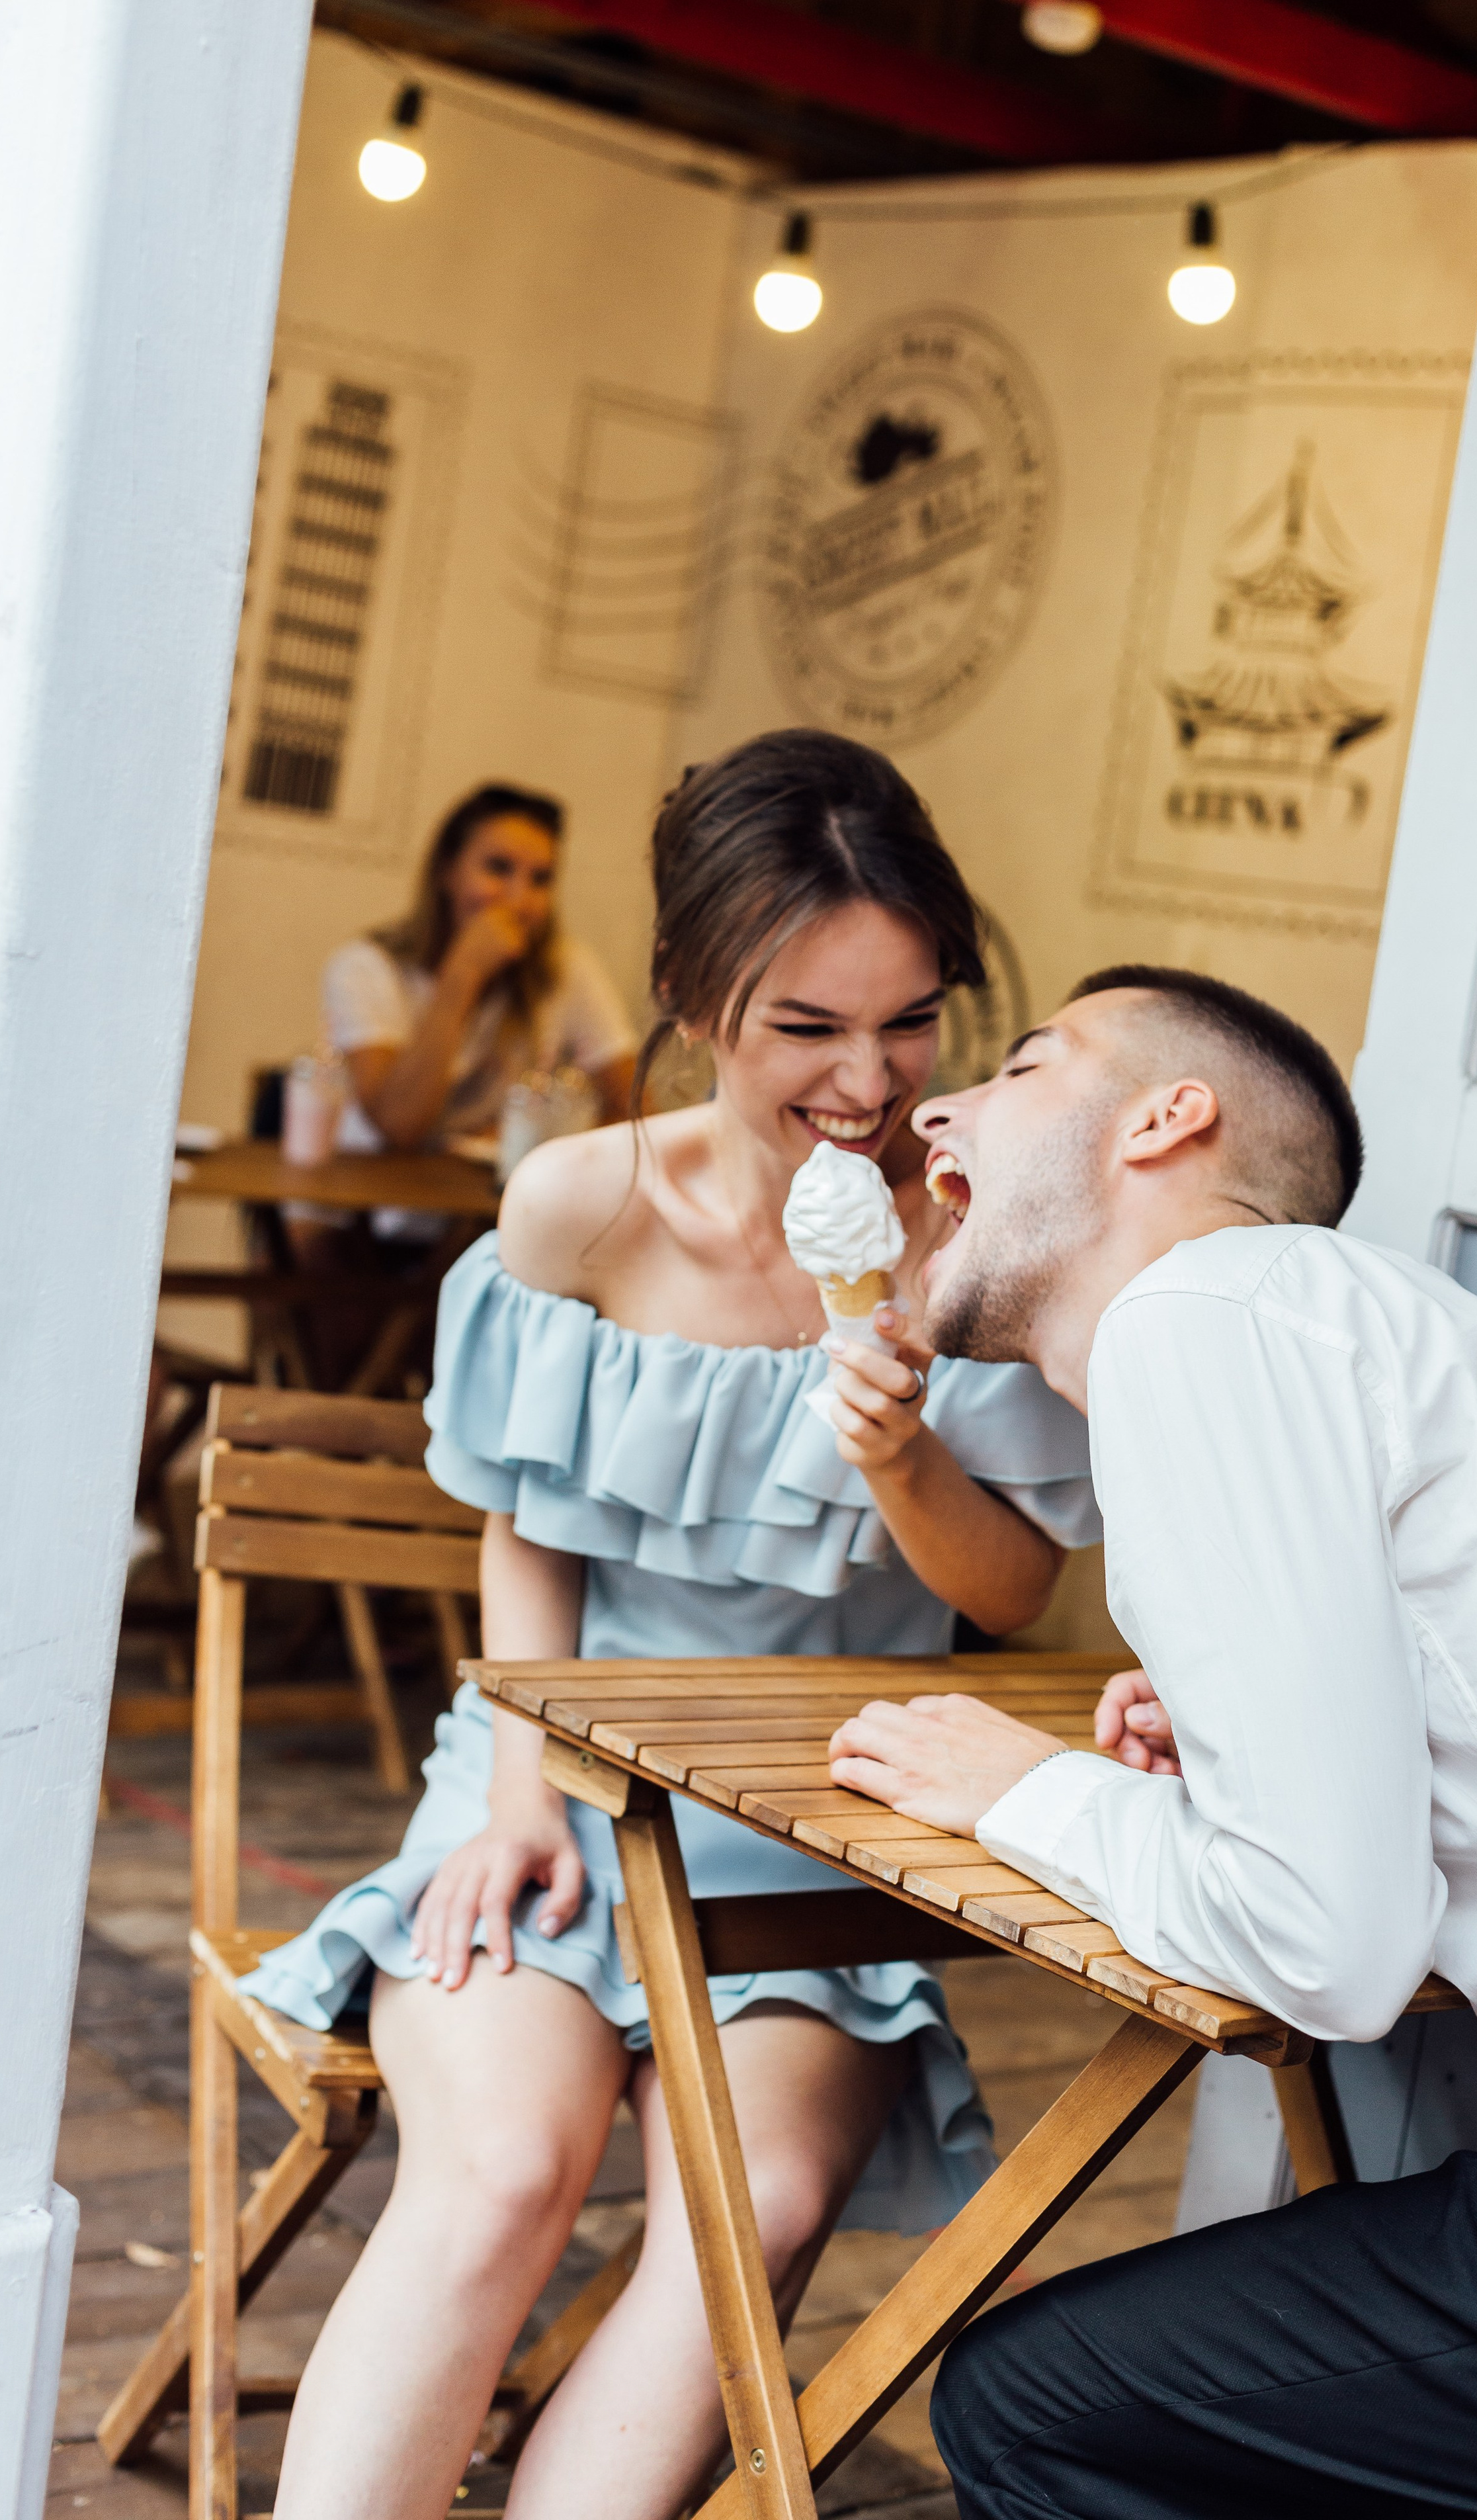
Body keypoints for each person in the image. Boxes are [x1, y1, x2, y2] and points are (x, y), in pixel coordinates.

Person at [247, 729, 1101, 2520]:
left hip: (816, 1802)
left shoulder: (976, 1239)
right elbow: (528, 1532)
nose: (868, 1083)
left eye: (911, 1019)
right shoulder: (583, 1208)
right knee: (498, 2178)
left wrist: (899, 1456)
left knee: (762, 2202)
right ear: (691, 999)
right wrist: (518, 1798)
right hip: (560, 1761)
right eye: (808, 1027)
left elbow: (1010, 1595)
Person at [828, 963, 1477, 2520]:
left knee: (1039, 2406)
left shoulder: (1198, 1317)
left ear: (1163, 1118)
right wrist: (1235, 1736)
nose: (931, 1103)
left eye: (1017, 1064)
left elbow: (1324, 1945)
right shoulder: (1349, 1324)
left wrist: (1021, 1786)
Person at [322, 779, 637, 1164]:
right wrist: (463, 975)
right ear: (447, 870)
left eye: (541, 879)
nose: (518, 900)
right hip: (364, 1199)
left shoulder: (566, 969)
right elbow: (399, 1125)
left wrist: (546, 1130)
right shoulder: (365, 968)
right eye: (498, 868)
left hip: (482, 1202)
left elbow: (639, 1111)